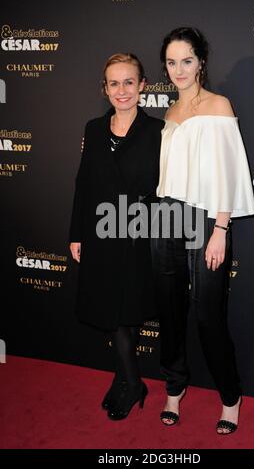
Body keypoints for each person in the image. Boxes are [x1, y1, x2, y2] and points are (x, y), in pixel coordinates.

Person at [152, 27, 254, 434]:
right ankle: (174, 389)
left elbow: (228, 171)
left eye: (187, 60)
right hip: (166, 218)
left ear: (201, 63)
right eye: (172, 62)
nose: (179, 69)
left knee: (209, 317)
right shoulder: (169, 112)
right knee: (170, 312)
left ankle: (230, 396)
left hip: (206, 220)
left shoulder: (218, 105)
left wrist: (220, 227)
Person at [69, 53, 164, 420]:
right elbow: (83, 184)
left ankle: (130, 382)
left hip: (138, 237)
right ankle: (126, 378)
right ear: (104, 88)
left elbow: (167, 188)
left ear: (142, 86)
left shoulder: (158, 130)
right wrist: (76, 232)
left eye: (129, 82)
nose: (121, 90)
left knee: (126, 314)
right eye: (114, 83)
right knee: (111, 312)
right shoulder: (93, 128)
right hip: (99, 234)